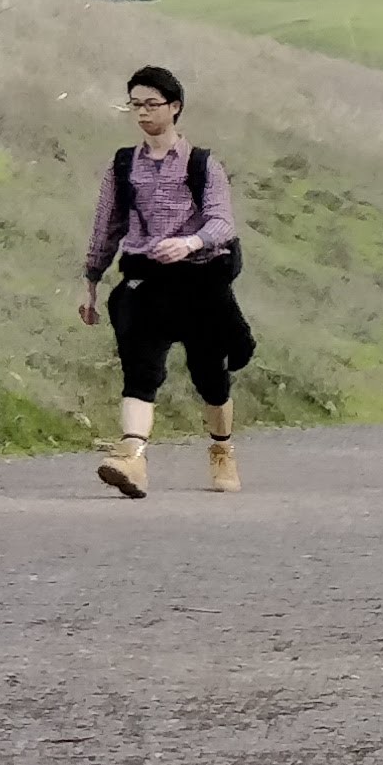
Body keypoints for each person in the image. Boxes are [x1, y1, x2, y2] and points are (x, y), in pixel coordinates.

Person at [77, 65, 251, 498]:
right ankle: (131, 459)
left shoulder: (202, 164)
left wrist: (189, 243)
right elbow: (106, 226)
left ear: (175, 108)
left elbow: (222, 222)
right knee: (140, 370)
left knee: (209, 375)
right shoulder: (122, 165)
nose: (142, 113)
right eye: (135, 104)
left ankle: (221, 449)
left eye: (151, 104)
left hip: (199, 282)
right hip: (144, 280)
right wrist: (92, 281)